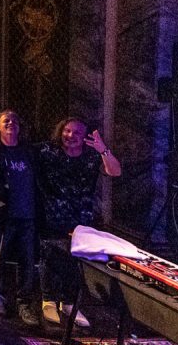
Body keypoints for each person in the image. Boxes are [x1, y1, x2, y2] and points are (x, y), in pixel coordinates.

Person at [37, 117, 122, 326]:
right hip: (52, 214)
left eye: (76, 132)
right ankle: (48, 300)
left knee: (74, 261)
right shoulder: (48, 151)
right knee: (50, 257)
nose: (71, 136)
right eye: (67, 131)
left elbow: (115, 171)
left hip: (80, 217)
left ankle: (68, 303)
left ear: (84, 136)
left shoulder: (91, 156)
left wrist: (104, 150)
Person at [0, 110, 39, 326]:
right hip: (2, 211)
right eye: (6, 121)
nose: (11, 124)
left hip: (26, 212)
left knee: (27, 259)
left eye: (15, 120)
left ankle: (24, 301)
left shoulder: (28, 151)